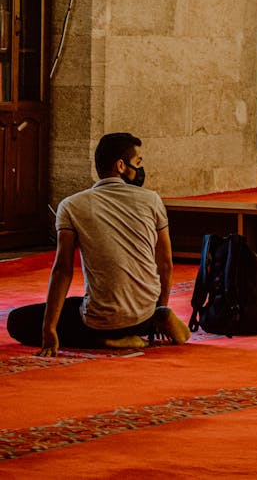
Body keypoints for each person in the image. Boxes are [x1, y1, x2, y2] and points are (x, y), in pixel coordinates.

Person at [7, 132, 190, 355]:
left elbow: (62, 270)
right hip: (146, 314)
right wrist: (160, 308)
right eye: (138, 163)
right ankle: (147, 324)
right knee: (78, 304)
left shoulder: (72, 205)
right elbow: (166, 263)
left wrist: (49, 328)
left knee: (17, 322)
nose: (140, 169)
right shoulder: (152, 200)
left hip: (101, 319)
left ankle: (106, 340)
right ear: (121, 166)